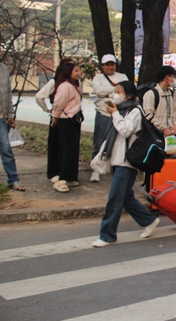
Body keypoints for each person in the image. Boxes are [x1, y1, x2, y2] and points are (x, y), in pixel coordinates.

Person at [92, 81, 160, 247]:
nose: (116, 95)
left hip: (126, 162)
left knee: (115, 198)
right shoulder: (123, 109)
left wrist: (115, 114)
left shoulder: (135, 111)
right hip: (118, 160)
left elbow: (126, 130)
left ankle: (107, 235)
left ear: (129, 95)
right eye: (115, 91)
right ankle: (149, 220)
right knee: (126, 197)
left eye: (119, 92)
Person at [35, 57, 74, 183]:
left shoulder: (73, 83)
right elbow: (39, 96)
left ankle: (66, 172)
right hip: (57, 116)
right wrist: (47, 110)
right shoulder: (55, 81)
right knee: (55, 145)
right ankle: (53, 172)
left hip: (70, 118)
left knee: (67, 147)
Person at [90, 54, 128, 182]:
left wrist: (108, 92)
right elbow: (98, 91)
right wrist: (114, 88)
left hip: (118, 113)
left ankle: (114, 169)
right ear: (102, 66)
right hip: (103, 113)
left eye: (112, 64)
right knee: (99, 141)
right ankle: (95, 170)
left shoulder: (122, 77)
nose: (110, 67)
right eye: (107, 65)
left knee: (117, 142)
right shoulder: (98, 78)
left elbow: (124, 91)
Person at [50, 62, 83, 192]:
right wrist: (55, 117)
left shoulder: (74, 86)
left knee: (73, 150)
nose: (79, 72)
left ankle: (70, 176)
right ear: (68, 73)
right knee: (67, 150)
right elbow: (58, 103)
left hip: (73, 121)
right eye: (76, 71)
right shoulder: (65, 86)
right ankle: (61, 179)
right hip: (65, 121)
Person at [0, 43, 24, 192]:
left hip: (0, 117)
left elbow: (7, 93)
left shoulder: (3, 69)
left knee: (6, 148)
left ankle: (13, 179)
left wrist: (10, 115)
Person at [143, 65, 176, 137]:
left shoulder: (171, 94)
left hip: (170, 134)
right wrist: (163, 128)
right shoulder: (151, 94)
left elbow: (175, 110)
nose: (174, 80)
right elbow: (148, 114)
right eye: (173, 77)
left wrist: (175, 125)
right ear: (167, 78)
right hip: (154, 134)